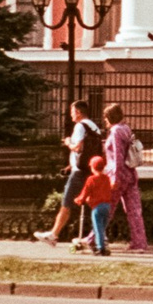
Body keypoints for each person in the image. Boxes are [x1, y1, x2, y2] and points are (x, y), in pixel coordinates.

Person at [35, 100, 105, 246]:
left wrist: (67, 142)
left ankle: (53, 235)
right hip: (90, 170)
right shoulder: (94, 127)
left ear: (78, 112)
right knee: (93, 204)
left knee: (67, 202)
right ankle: (99, 236)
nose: (71, 115)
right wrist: (70, 164)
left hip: (79, 172)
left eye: (72, 112)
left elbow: (78, 148)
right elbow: (90, 150)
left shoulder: (80, 126)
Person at [103, 103, 149, 253]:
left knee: (107, 207)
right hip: (130, 174)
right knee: (134, 210)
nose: (105, 121)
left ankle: (93, 238)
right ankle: (139, 243)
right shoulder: (126, 129)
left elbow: (118, 155)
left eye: (105, 118)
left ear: (109, 117)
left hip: (118, 175)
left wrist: (115, 177)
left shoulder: (115, 131)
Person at [74, 155, 118, 255]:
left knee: (98, 228)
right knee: (101, 228)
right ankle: (97, 244)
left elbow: (85, 192)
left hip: (97, 208)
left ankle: (100, 247)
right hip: (107, 206)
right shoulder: (106, 178)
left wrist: (79, 200)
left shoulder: (91, 179)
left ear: (92, 167)